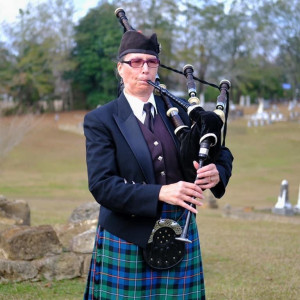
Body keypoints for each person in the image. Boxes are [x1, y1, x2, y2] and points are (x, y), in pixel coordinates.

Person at [83, 30, 233, 300]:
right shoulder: (101, 119)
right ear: (120, 68)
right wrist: (160, 193)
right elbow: (102, 185)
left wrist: (217, 172)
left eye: (151, 62)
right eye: (136, 62)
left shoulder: (180, 111)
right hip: (126, 235)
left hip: (180, 231)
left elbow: (222, 153)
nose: (144, 69)